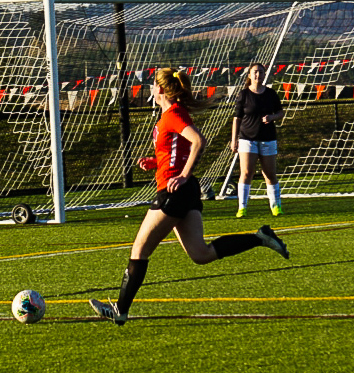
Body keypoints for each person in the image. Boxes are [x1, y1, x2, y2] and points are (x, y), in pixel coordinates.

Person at [89, 66, 290, 325]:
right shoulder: (173, 113)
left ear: (160, 90)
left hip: (175, 192)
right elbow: (178, 148)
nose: (151, 88)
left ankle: (120, 310)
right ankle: (260, 238)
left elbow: (198, 141)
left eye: (153, 85)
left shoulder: (172, 114)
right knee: (201, 254)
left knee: (139, 250)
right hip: (187, 191)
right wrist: (156, 162)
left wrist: (182, 174)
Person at [229, 62, 285, 217]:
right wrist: (234, 139)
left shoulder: (271, 94)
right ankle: (242, 207)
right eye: (255, 72)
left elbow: (281, 112)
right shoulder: (244, 94)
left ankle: (276, 206)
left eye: (261, 72)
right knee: (246, 172)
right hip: (247, 138)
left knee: (269, 173)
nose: (258, 75)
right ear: (249, 75)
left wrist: (272, 117)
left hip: (268, 139)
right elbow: (237, 118)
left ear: (264, 74)